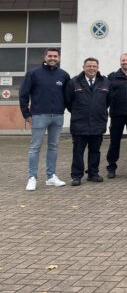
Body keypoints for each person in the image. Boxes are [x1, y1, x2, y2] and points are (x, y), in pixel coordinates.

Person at [20, 47, 70, 191]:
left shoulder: (64, 75)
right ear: (45, 57)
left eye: (55, 56)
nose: (53, 58)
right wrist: (26, 114)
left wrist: (65, 110)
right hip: (39, 115)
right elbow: (24, 94)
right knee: (35, 147)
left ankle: (51, 176)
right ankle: (32, 177)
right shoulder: (33, 74)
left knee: (53, 146)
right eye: (50, 56)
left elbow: (67, 96)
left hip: (58, 116)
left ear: (59, 58)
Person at [65, 58, 112, 186]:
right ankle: (76, 176)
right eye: (89, 66)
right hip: (79, 123)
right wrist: (79, 112)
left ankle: (93, 173)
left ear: (98, 67)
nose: (92, 68)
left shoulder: (105, 82)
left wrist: (98, 111)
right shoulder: (74, 82)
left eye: (94, 66)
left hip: (98, 123)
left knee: (95, 151)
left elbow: (107, 101)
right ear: (83, 67)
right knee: (78, 151)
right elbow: (69, 102)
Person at [106, 53, 127, 179]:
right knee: (114, 142)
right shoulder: (112, 77)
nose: (125, 62)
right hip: (117, 114)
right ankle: (111, 167)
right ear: (120, 62)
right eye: (123, 60)